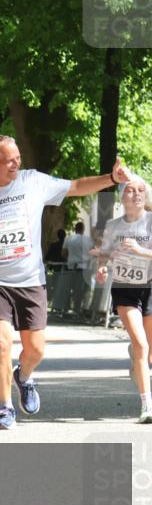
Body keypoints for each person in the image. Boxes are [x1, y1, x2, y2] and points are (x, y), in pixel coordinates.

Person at [0, 135, 129, 430]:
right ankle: (6, 407)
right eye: (10, 160)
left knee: (35, 350)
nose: (17, 164)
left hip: (30, 278)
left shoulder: (33, 181)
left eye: (18, 157)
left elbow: (75, 186)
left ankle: (24, 376)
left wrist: (111, 177)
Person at [93, 176, 152, 423]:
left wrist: (141, 251)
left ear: (146, 196)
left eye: (140, 190)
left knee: (148, 349)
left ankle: (140, 361)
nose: (135, 193)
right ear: (122, 196)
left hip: (150, 286)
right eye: (129, 190)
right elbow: (104, 256)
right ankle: (147, 405)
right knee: (140, 344)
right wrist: (102, 268)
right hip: (124, 287)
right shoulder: (113, 225)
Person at [63, 221, 94, 314]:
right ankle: (81, 308)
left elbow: (63, 253)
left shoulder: (69, 239)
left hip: (72, 267)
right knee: (82, 290)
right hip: (86, 268)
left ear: (75, 229)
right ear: (83, 229)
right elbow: (93, 253)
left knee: (70, 288)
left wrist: (69, 259)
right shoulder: (89, 240)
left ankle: (70, 308)